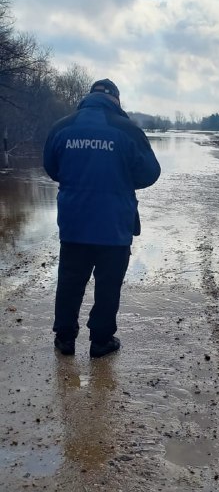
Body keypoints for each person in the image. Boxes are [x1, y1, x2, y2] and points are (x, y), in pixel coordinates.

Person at [43, 78, 161, 358]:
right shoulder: (128, 130)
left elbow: (51, 167)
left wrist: (77, 178)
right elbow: (150, 173)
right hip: (114, 225)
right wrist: (120, 177)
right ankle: (100, 341)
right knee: (108, 285)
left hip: (74, 222)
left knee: (70, 280)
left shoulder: (62, 127)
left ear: (87, 97)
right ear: (116, 100)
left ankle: (65, 339)